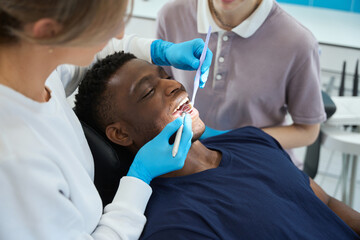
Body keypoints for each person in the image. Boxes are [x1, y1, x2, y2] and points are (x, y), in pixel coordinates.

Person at [74, 52, 360, 239]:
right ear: (121, 135)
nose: (173, 86)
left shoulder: (250, 139)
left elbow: (326, 203)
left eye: (166, 76)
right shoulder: (174, 224)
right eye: (149, 91)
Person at [0, 0, 213, 239]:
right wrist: (139, 178)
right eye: (110, 23)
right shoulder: (15, 160)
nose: (120, 33)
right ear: (48, 32)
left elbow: (93, 50)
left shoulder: (33, 65)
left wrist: (159, 51)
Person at [156, 0, 327, 168]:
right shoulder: (172, 15)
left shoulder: (298, 42)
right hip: (189, 161)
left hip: (258, 163)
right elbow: (159, 97)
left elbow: (307, 131)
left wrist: (236, 139)